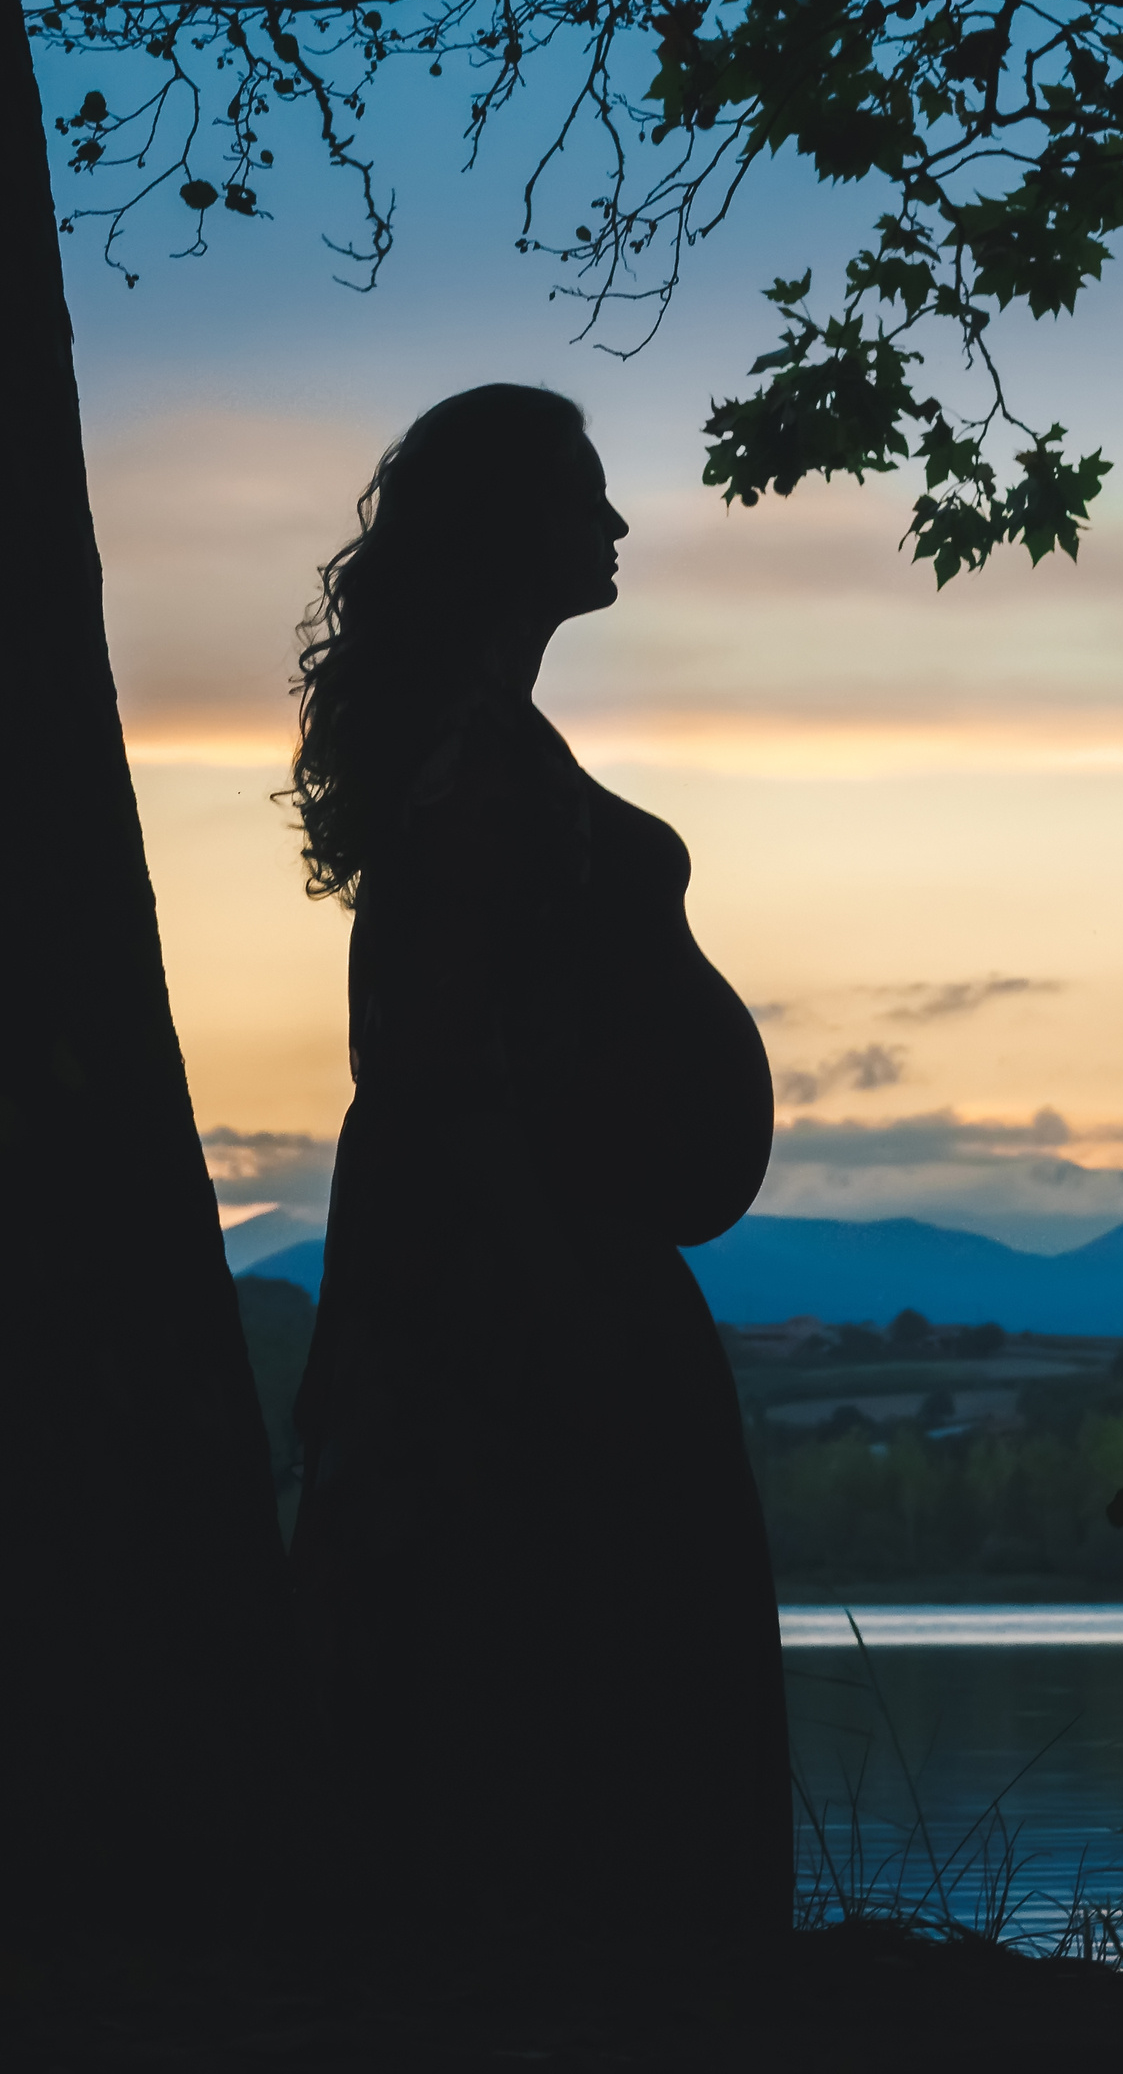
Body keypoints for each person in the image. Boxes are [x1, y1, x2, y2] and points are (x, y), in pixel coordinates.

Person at [285, 384, 788, 1943]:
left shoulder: (492, 741)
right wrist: (554, 1289)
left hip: (551, 1250)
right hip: (511, 1274)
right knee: (539, 1616)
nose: (618, 522)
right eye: (585, 492)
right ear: (512, 529)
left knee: (574, 1620)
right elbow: (428, 1058)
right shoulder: (473, 765)